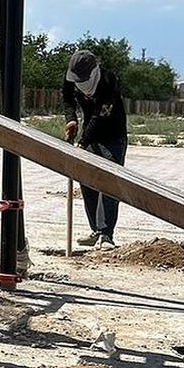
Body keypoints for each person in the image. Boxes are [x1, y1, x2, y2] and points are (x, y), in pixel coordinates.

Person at [63, 48, 128, 250]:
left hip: (113, 136)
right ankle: (96, 230)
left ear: (94, 71)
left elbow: (99, 117)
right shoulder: (71, 77)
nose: (80, 83)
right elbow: (67, 98)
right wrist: (71, 119)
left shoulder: (108, 81)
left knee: (108, 182)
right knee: (87, 180)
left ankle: (106, 234)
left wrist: (82, 143)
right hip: (89, 133)